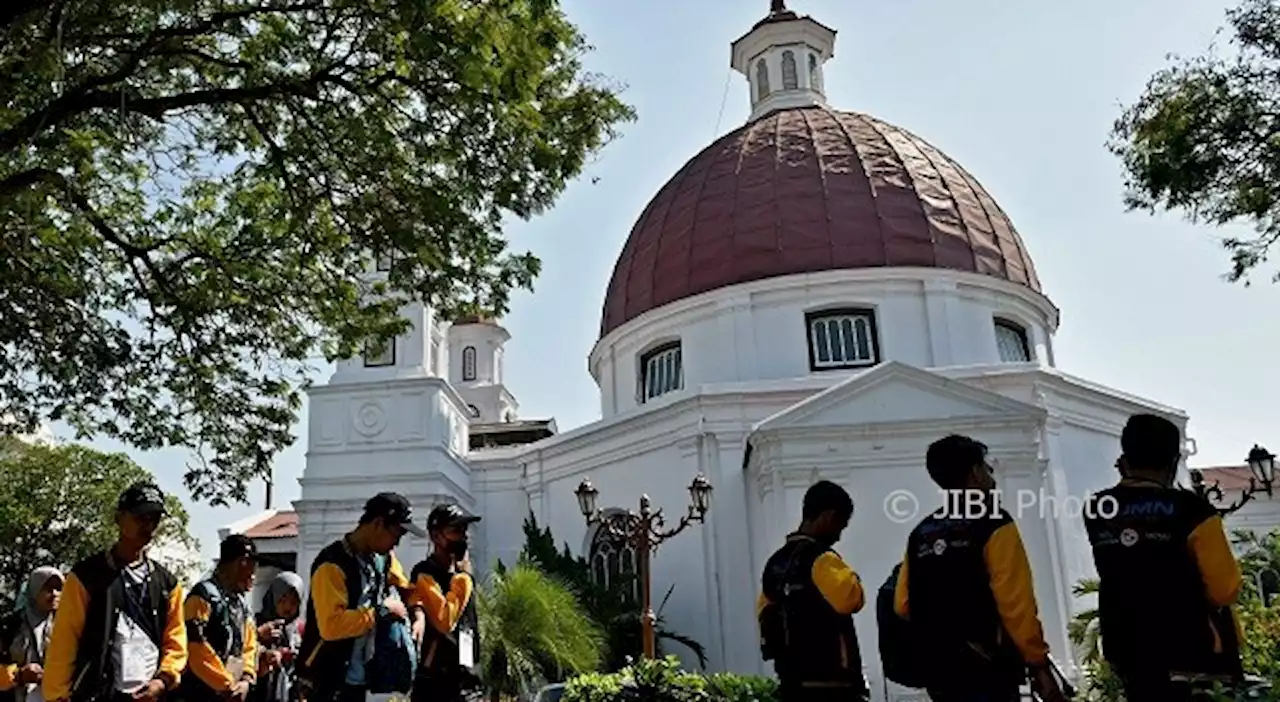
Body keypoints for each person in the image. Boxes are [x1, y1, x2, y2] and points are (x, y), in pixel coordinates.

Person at [892, 435, 1067, 702]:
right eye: (987, 468)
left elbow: (903, 604)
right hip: (988, 669)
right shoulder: (995, 524)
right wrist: (1038, 662)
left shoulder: (921, 532)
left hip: (938, 670)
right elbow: (1016, 605)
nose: (992, 476)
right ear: (974, 472)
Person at [1083, 414, 1245, 702]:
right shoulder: (1193, 510)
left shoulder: (1096, 508)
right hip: (1191, 649)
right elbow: (1225, 588)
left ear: (1125, 458)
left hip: (1129, 649)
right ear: (1173, 462)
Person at [43, 482, 187, 702]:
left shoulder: (167, 584)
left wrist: (163, 679)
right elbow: (64, 641)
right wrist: (58, 696)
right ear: (119, 518)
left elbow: (175, 641)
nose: (147, 526)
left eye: (154, 519)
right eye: (140, 518)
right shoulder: (85, 576)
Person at [294, 493, 421, 702]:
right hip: (328, 681)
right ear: (378, 523)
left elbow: (407, 588)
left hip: (361, 681)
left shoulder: (383, 559)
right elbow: (332, 626)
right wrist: (381, 612)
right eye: (396, 534)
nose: (397, 543)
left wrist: (418, 615)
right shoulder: (332, 564)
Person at [756, 480, 869, 702]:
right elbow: (851, 599)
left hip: (792, 682)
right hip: (833, 684)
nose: (839, 535)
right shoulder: (823, 559)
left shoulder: (774, 563)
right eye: (841, 525)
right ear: (829, 516)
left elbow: (763, 613)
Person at [408, 505, 481, 702]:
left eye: (464, 531)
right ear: (436, 536)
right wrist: (464, 578)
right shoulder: (425, 573)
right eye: (456, 531)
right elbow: (444, 620)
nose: (463, 537)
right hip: (435, 683)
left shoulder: (460, 575)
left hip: (464, 678)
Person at [178, 535, 260, 702]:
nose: (253, 573)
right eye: (251, 564)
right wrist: (226, 684)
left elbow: (250, 646)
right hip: (200, 693)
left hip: (233, 693)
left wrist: (246, 678)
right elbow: (195, 647)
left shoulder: (242, 606)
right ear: (240, 562)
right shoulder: (202, 596)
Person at [0, 567, 64, 702]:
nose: (54, 594)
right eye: (47, 589)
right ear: (34, 590)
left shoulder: (65, 626)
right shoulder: (10, 626)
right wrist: (19, 675)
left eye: (58, 589)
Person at [250, 573, 305, 702]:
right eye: (282, 600)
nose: (288, 607)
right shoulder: (256, 624)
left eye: (294, 602)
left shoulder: (300, 629)